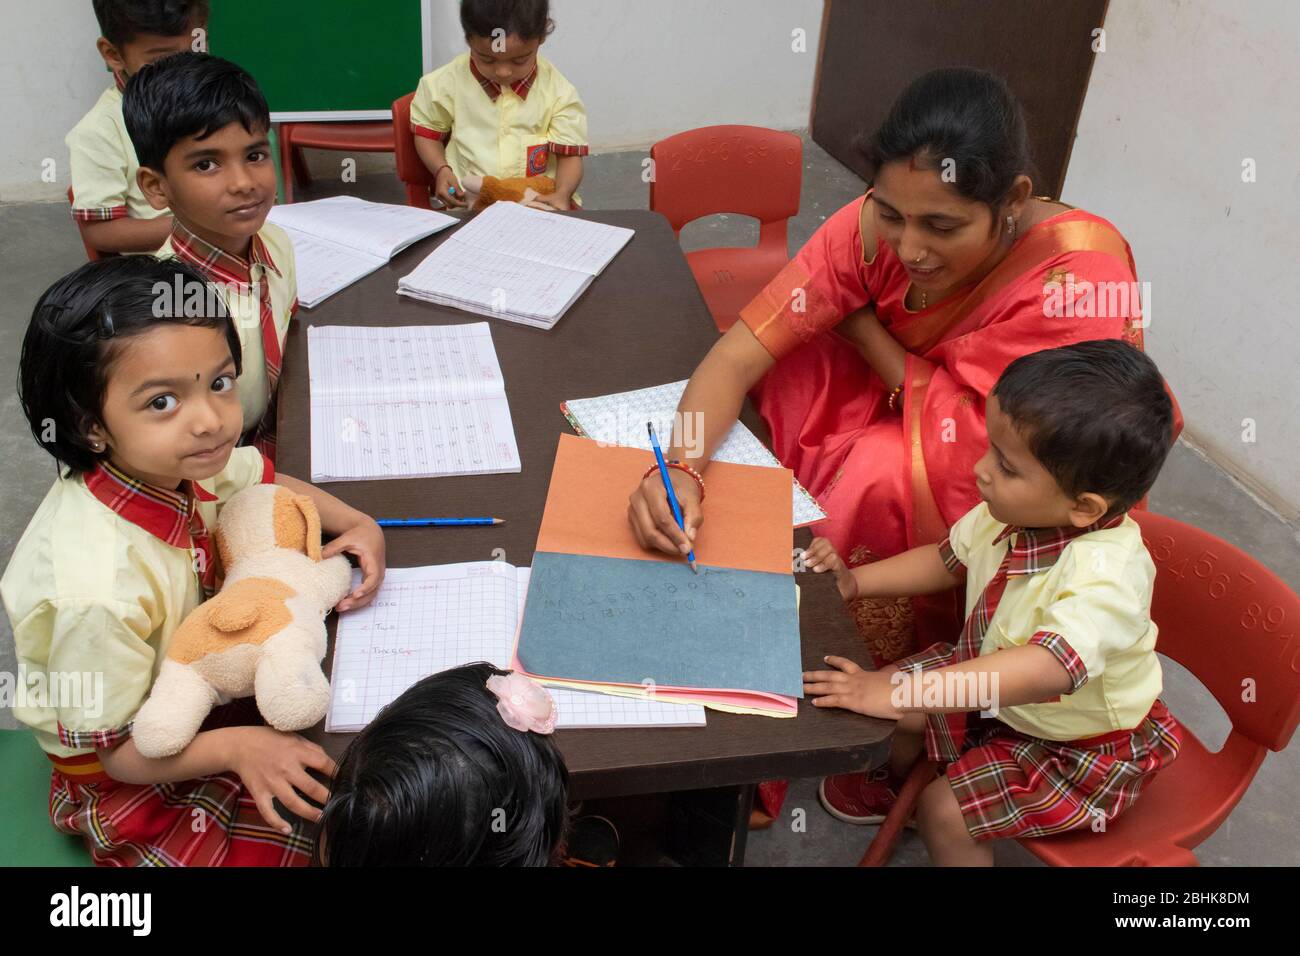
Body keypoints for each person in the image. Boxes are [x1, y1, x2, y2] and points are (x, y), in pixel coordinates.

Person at [1, 256, 387, 865]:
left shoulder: (166, 462)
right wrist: (240, 747)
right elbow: (119, 754)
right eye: (162, 402)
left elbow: (263, 475)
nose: (210, 421)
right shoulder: (95, 591)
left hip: (204, 681)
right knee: (326, 835)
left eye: (220, 382)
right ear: (88, 424)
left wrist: (360, 523)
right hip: (139, 762)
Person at [802, 340, 1182, 861]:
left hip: (1075, 744)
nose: (981, 470)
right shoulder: (1012, 513)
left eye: (1006, 466)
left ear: (1083, 506)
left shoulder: (1108, 575)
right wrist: (856, 582)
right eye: (990, 449)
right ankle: (894, 786)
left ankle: (929, 800)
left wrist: (905, 693)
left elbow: (1045, 669)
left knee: (944, 812)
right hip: (993, 686)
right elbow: (945, 560)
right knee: (882, 697)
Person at [411, 0, 588, 210]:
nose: (503, 72)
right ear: (469, 39)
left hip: (535, 205)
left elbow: (569, 156)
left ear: (540, 38)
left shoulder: (559, 91)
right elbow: (427, 132)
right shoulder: (443, 84)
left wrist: (563, 193)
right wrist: (441, 169)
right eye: (487, 59)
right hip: (471, 205)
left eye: (519, 60)